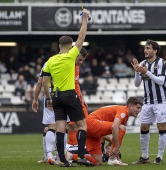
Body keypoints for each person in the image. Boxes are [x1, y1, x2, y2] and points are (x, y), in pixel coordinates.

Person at [42, 9, 90, 167]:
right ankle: (82, 156)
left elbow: (44, 82)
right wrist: (84, 18)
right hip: (69, 95)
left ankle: (62, 160)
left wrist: (48, 98)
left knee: (60, 129)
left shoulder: (50, 60)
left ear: (59, 45)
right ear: (71, 47)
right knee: (82, 125)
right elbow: (81, 36)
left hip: (55, 97)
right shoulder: (71, 56)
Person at [131, 39, 166, 165]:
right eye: (145, 48)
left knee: (161, 127)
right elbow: (136, 84)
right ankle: (145, 157)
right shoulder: (142, 63)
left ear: (155, 50)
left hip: (161, 101)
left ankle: (159, 157)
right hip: (147, 101)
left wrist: (146, 72)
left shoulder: (161, 63)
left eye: (148, 48)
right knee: (144, 127)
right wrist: (136, 71)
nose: (145, 50)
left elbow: (161, 81)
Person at [84, 97, 142, 166]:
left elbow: (115, 132)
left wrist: (109, 145)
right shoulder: (123, 111)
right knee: (121, 128)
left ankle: (72, 156)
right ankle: (113, 159)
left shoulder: (124, 114)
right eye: (138, 108)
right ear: (130, 106)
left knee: (97, 162)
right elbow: (114, 127)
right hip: (91, 123)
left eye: (140, 108)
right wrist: (116, 148)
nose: (139, 110)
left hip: (90, 127)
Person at [32, 63, 58, 165]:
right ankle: (61, 155)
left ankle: (48, 155)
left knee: (50, 127)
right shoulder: (69, 60)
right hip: (64, 93)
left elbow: (40, 82)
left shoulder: (48, 63)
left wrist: (35, 99)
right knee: (63, 127)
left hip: (49, 93)